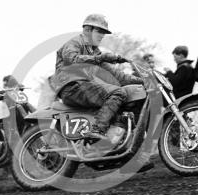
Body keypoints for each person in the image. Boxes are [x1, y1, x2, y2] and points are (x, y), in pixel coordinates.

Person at [51, 13, 153, 172]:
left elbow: (117, 76)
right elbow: (72, 58)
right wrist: (100, 59)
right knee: (117, 93)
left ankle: (119, 150)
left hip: (83, 87)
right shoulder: (74, 42)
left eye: (103, 33)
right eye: (100, 32)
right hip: (70, 85)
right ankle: (96, 131)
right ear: (87, 29)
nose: (102, 36)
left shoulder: (95, 52)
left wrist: (144, 80)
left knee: (123, 103)